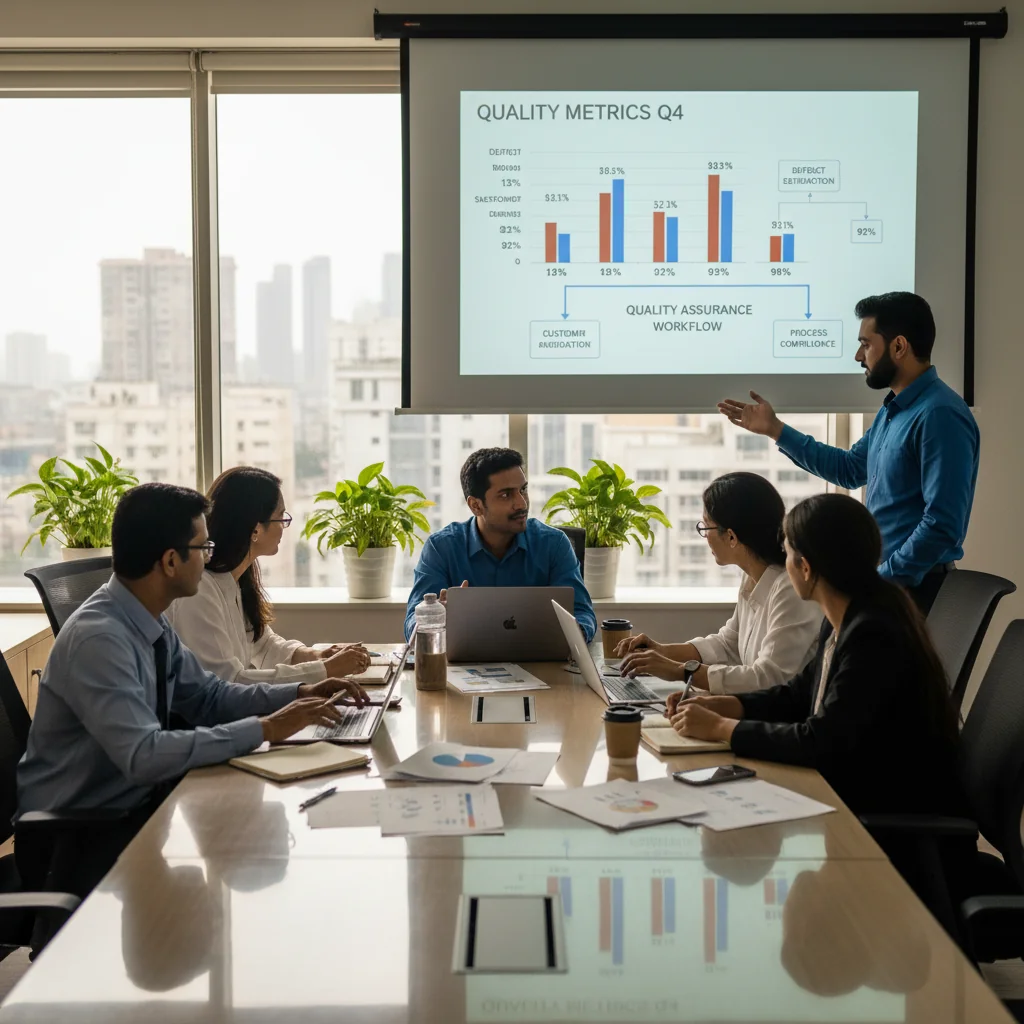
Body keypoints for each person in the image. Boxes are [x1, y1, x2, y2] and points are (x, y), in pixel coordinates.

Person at [16, 482, 368, 902]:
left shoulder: (149, 619)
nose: (210, 557)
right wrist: (265, 729)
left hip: (136, 812)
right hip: (78, 836)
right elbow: (143, 755)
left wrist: (300, 692)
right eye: (203, 547)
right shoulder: (101, 639)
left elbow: (209, 697)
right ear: (170, 561)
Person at [664, 493, 965, 820]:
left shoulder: (874, 635)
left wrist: (723, 728)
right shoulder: (848, 616)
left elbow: (823, 742)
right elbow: (798, 693)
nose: (782, 562)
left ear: (805, 568)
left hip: (891, 819)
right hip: (859, 794)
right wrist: (732, 705)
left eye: (788, 552)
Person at [718, 291, 979, 613]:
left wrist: (882, 581)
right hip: (888, 584)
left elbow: (942, 523)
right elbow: (850, 469)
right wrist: (776, 429)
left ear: (899, 346)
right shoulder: (894, 410)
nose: (858, 355)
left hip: (916, 590)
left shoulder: (939, 414)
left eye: (866, 344)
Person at [615, 472, 819, 693]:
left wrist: (680, 671)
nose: (704, 537)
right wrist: (660, 651)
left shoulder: (790, 589)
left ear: (731, 537)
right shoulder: (752, 576)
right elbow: (727, 644)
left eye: (706, 527)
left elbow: (768, 678)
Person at [167, 466, 370, 685]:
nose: (284, 526)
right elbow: (229, 682)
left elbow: (262, 644)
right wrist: (325, 670)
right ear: (255, 530)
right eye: (281, 517)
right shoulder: (199, 591)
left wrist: (315, 655)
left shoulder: (235, 579)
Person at [404, 447, 596, 642]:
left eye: (523, 490)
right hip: (460, 669)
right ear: (475, 506)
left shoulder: (554, 544)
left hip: (542, 665)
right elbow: (413, 623)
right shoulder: (441, 548)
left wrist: (574, 635)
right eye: (506, 495)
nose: (521, 503)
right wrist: (436, 619)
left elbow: (581, 612)